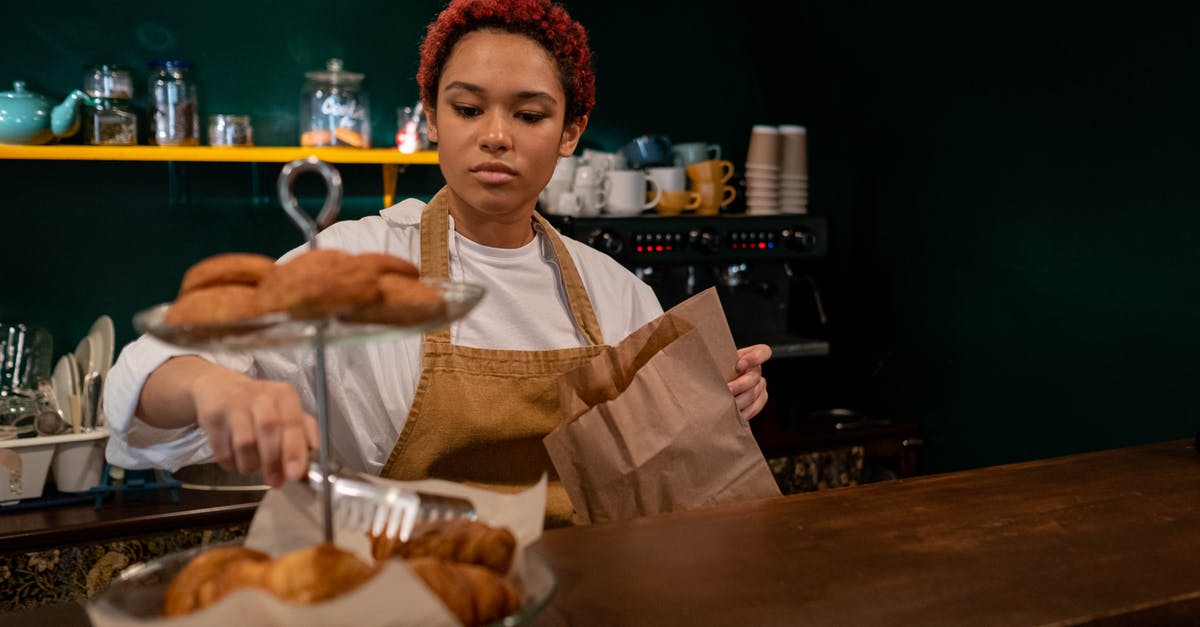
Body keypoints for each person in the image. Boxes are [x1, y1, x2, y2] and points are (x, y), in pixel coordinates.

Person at [104, 0, 771, 526]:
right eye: (467, 108)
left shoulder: (615, 291)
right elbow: (148, 379)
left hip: (583, 593)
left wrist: (721, 398)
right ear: (430, 117)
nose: (496, 136)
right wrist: (216, 389)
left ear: (571, 130)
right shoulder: (356, 264)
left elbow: (659, 469)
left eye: (531, 114)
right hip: (403, 597)